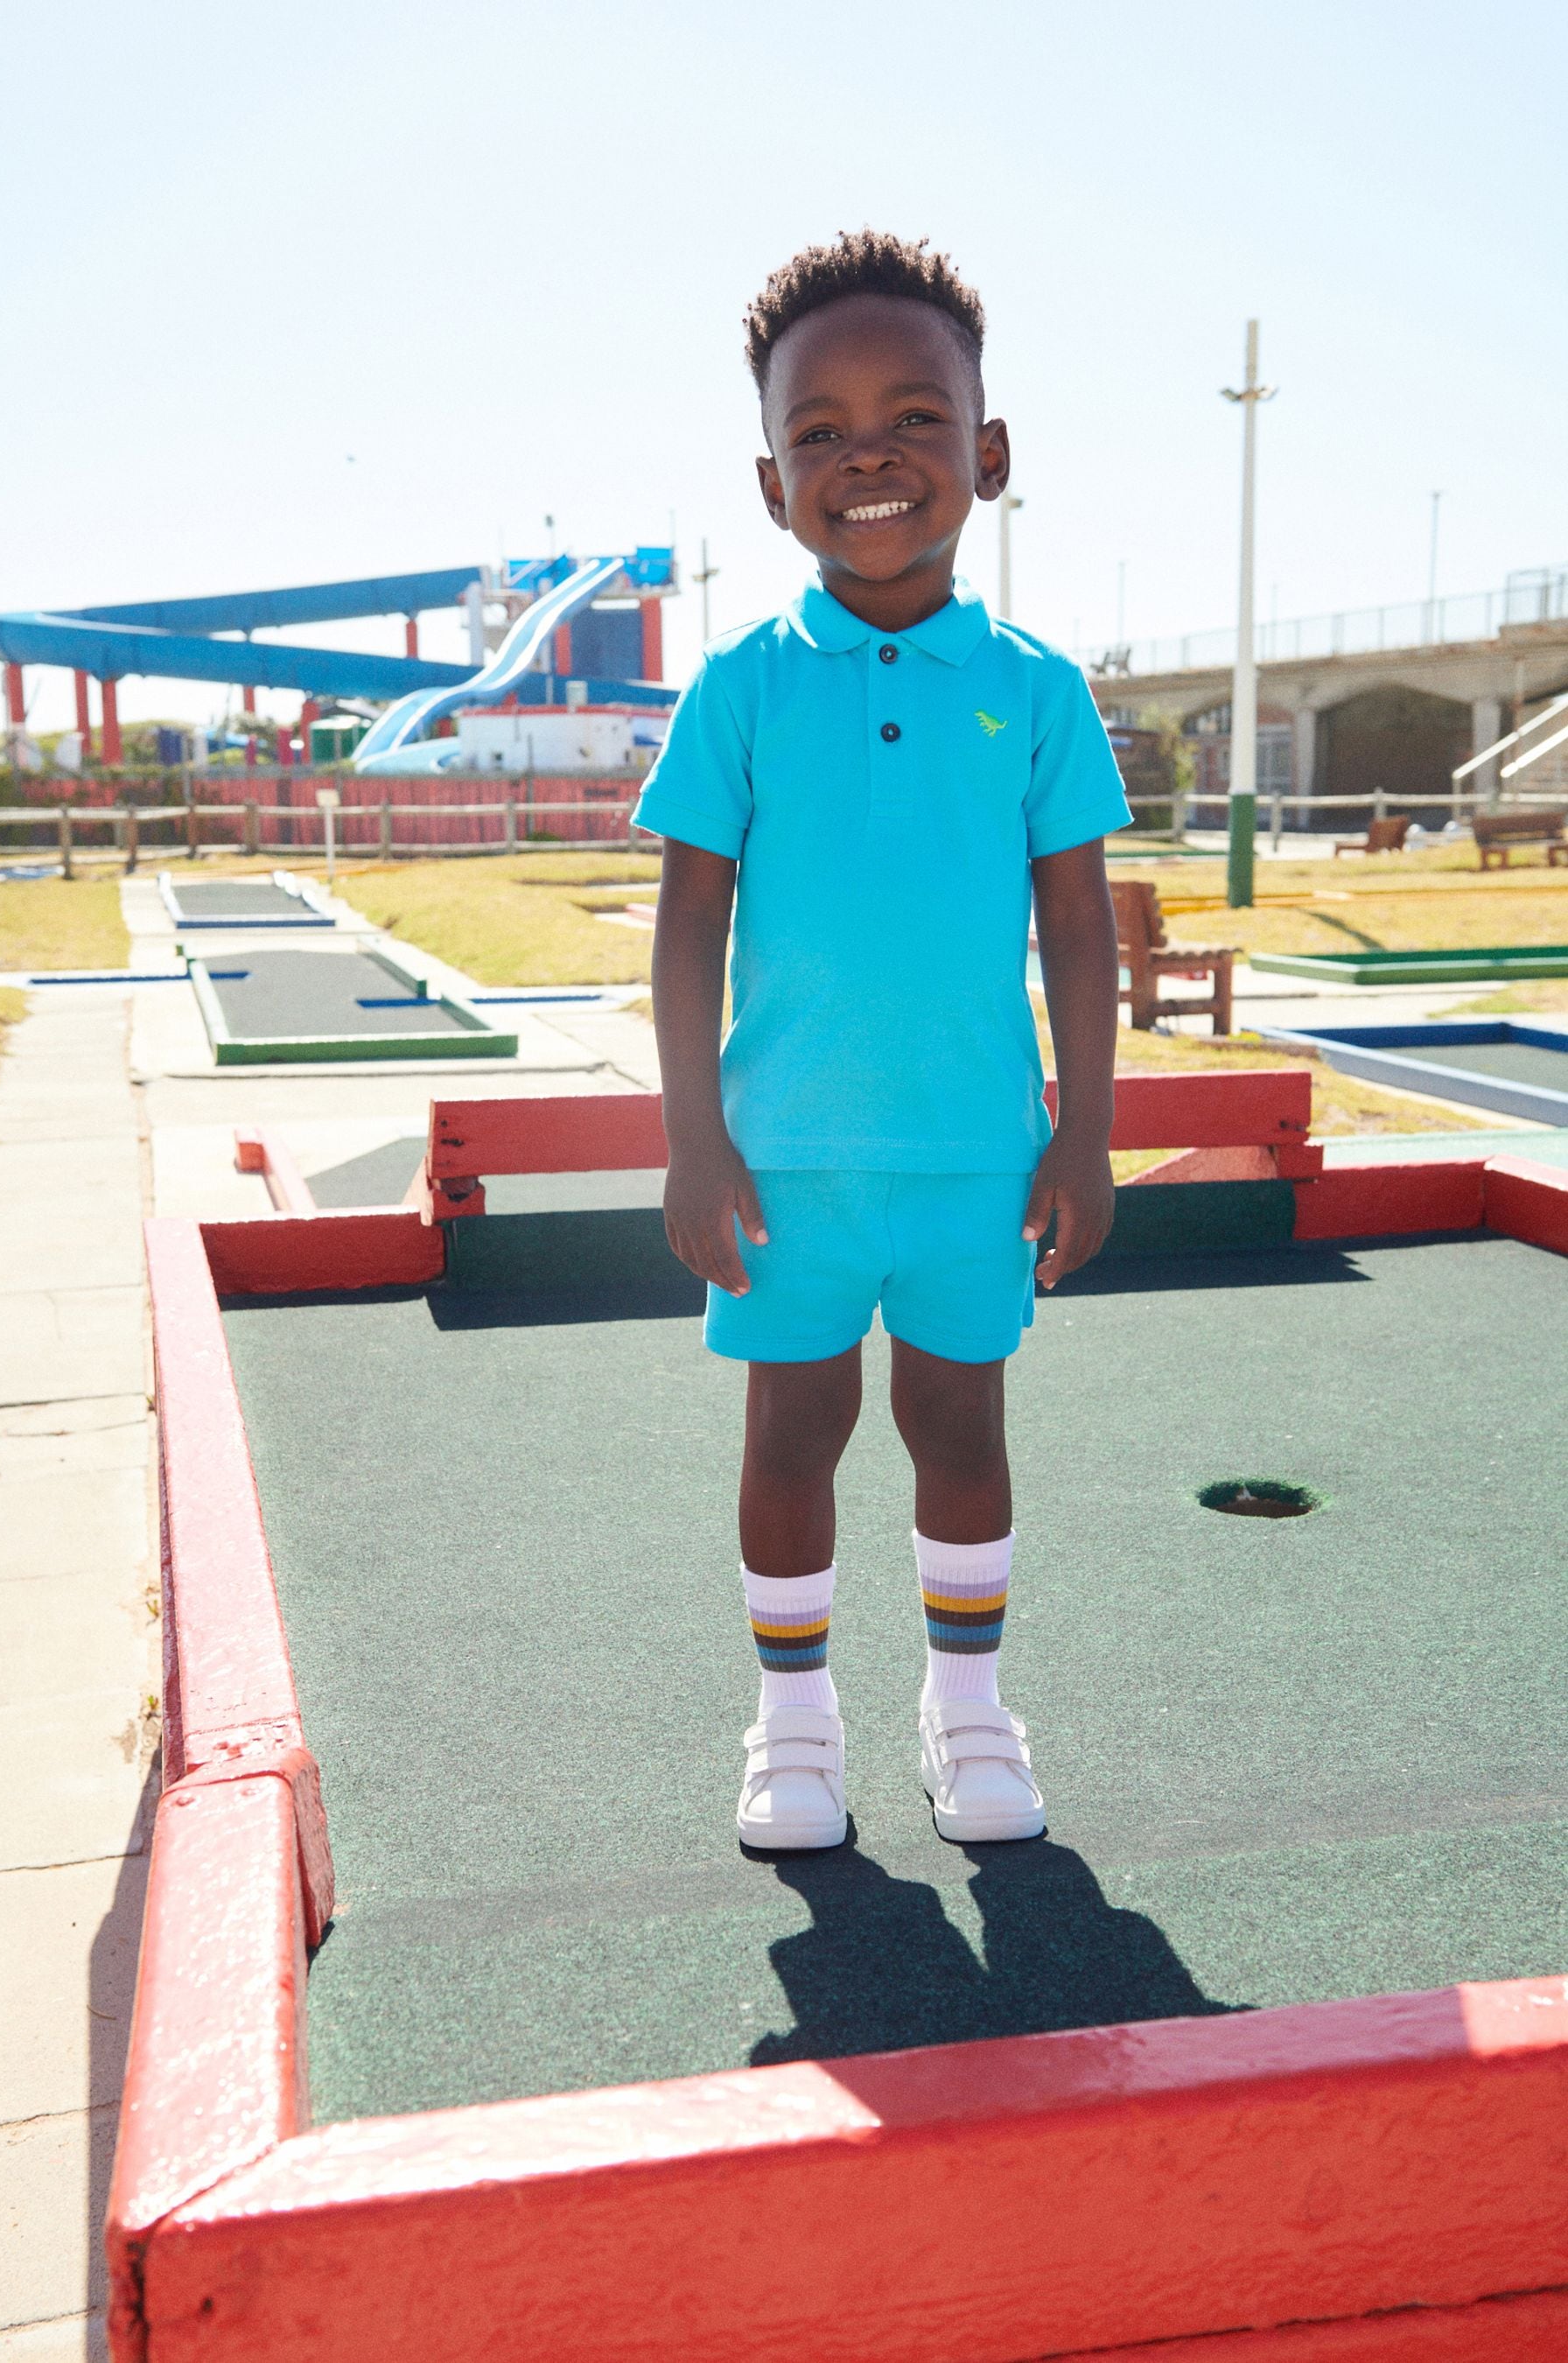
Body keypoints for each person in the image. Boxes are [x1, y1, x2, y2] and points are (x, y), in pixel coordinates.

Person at [634, 230, 1129, 1852]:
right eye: (821, 433)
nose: (871, 459)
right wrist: (696, 1138)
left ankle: (968, 1707)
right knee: (793, 1432)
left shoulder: (1042, 691)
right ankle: (795, 1724)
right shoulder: (738, 690)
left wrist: (1087, 1130)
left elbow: (1073, 928)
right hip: (786, 1165)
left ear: (986, 455)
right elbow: (690, 924)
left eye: (915, 419)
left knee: (961, 1429)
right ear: (773, 484)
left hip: (980, 1150)